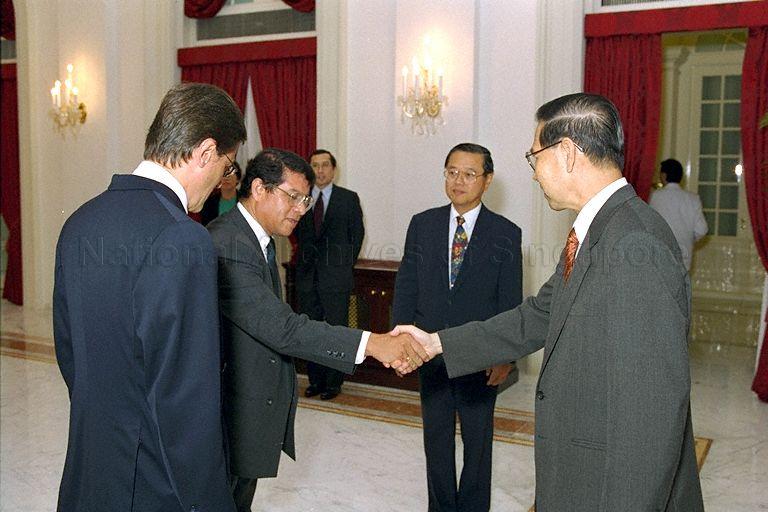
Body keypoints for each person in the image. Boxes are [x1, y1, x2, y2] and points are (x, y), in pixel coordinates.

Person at [396, 93, 705, 512]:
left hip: (607, 487)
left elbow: (650, 413)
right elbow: (538, 315)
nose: (534, 174)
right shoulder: (596, 229)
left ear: (567, 152)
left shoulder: (634, 243)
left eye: (534, 157)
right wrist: (436, 343)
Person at [53, 82, 247, 512]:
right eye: (227, 165)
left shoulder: (80, 222)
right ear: (206, 152)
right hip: (157, 485)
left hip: (90, 470)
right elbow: (186, 397)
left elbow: (70, 354)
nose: (222, 181)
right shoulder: (184, 237)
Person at [206, 148, 428, 512]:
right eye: (293, 197)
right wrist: (373, 343)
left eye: (305, 200)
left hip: (248, 412)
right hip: (228, 413)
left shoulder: (255, 238)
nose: (300, 209)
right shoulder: (228, 243)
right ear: (259, 189)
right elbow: (283, 328)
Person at [392, 142, 522, 512]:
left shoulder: (506, 232)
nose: (458, 181)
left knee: (478, 442)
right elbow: (407, 285)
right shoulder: (423, 224)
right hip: (429, 353)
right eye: (452, 172)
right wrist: (400, 340)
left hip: (480, 356)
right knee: (436, 440)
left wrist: (505, 356)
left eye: (469, 174)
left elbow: (509, 300)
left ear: (487, 180)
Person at [294, 149, 365, 400]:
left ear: (334, 169)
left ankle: (334, 383)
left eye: (325, 165)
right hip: (307, 279)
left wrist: (343, 266)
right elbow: (294, 232)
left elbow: (357, 236)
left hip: (336, 279)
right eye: (315, 165)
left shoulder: (348, 198)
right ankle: (315, 381)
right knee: (311, 331)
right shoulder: (300, 199)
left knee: (336, 333)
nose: (320, 170)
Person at [649, 158, 708, 271]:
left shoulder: (656, 196)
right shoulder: (693, 199)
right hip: (684, 259)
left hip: (659, 260)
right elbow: (702, 230)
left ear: (664, 175)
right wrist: (688, 237)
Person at [201, 160, 242, 225]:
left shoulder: (244, 200)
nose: (226, 178)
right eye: (224, 174)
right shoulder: (209, 203)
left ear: (238, 179)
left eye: (231, 174)